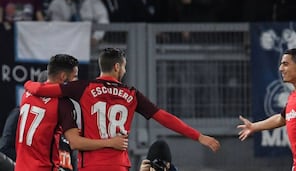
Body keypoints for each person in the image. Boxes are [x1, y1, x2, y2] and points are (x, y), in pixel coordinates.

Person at [24, 48, 221, 171]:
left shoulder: (83, 87)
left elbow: (42, 89)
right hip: (118, 164)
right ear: (117, 67)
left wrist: (27, 85)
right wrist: (198, 136)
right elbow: (164, 117)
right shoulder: (132, 94)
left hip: (90, 165)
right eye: (124, 67)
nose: (125, 71)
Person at [16, 54, 128, 171]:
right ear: (64, 76)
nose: (76, 81)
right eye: (74, 76)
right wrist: (111, 143)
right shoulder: (63, 104)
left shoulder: (27, 94)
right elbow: (75, 143)